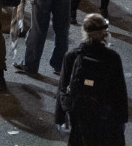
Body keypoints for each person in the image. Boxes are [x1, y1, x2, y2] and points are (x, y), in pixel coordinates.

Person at [55, 14, 128, 146]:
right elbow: (120, 92)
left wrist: (60, 117)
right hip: (105, 115)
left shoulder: (72, 56)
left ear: (85, 31)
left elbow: (63, 86)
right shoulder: (112, 57)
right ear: (104, 33)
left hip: (80, 114)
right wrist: (122, 120)